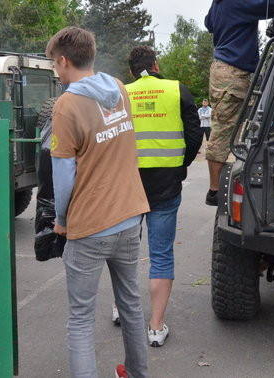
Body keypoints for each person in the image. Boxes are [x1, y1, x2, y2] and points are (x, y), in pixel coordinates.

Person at [46, 26, 150, 378]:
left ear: (64, 61)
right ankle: (138, 374)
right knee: (131, 306)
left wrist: (61, 219)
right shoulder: (119, 89)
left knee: (81, 319)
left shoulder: (67, 104)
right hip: (130, 217)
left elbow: (63, 176)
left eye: (54, 66)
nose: (56, 72)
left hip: (90, 226)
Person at [122, 45, 202, 347]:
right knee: (161, 253)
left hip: (129, 184)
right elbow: (195, 135)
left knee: (125, 252)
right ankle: (155, 327)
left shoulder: (122, 93)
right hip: (166, 184)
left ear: (132, 71)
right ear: (156, 65)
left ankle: (122, 309)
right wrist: (180, 164)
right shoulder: (176, 90)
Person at [203, 0, 274, 205]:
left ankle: (222, 184)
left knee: (231, 127)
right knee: (224, 129)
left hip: (225, 71)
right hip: (232, 73)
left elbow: (208, 24)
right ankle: (214, 191)